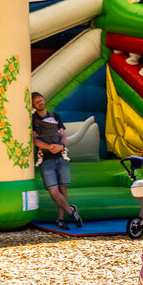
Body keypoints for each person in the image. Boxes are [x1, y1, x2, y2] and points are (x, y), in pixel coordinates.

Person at [31, 92, 81, 228]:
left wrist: (61, 146)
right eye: (37, 102)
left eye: (41, 99)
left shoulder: (56, 116)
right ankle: (71, 212)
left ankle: (60, 219)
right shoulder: (33, 120)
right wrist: (48, 147)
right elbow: (34, 140)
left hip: (61, 157)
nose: (40, 102)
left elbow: (63, 135)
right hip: (46, 159)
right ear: (33, 105)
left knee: (62, 189)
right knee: (53, 190)